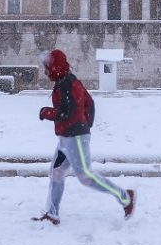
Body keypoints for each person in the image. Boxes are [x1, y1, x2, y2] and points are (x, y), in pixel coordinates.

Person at [32, 49, 136, 226]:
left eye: (47, 68)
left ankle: (125, 197)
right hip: (66, 138)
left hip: (76, 138)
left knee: (86, 176)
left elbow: (67, 111)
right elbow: (89, 103)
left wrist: (46, 113)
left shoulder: (67, 83)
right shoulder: (65, 81)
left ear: (54, 67)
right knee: (56, 173)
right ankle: (52, 213)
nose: (45, 72)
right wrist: (86, 123)